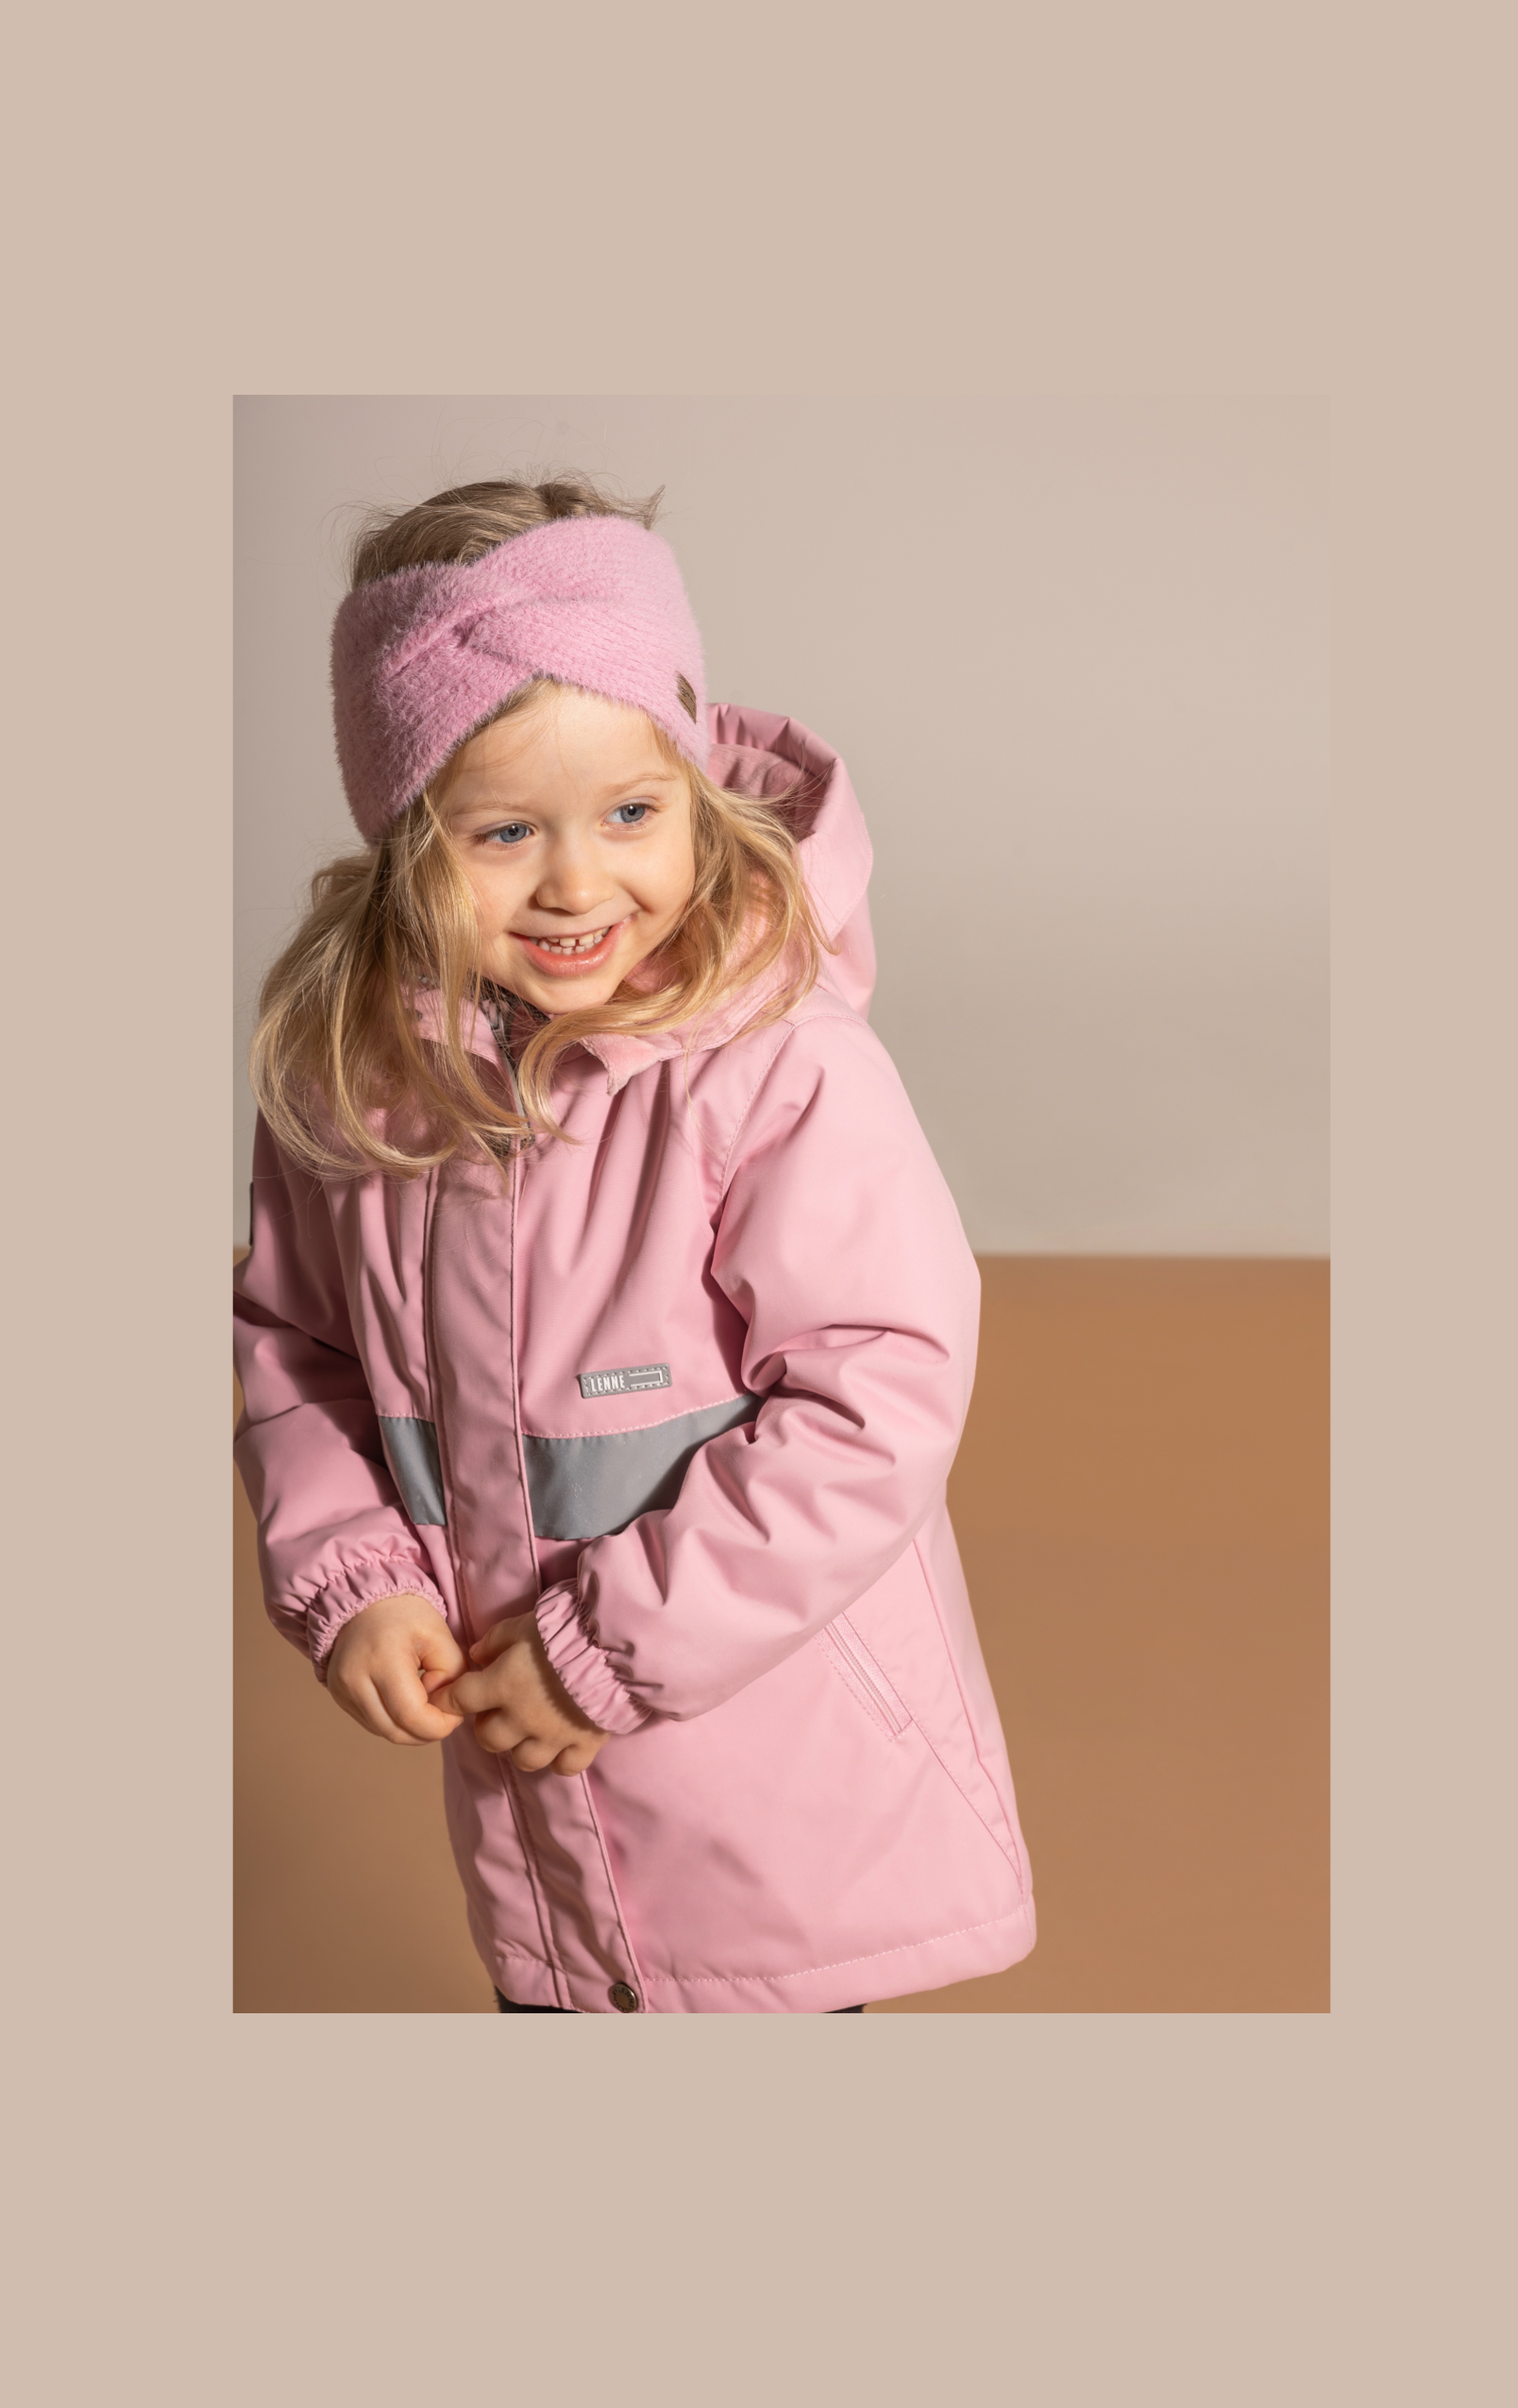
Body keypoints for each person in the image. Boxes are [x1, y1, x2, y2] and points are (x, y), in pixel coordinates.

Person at [234, 475, 1035, 2013]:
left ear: (692, 785)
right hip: (541, 1823)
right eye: (503, 831)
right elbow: (297, 1350)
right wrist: (355, 1574)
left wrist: (605, 1647)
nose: (578, 882)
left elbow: (881, 1393)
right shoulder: (354, 1077)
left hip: (773, 1794)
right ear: (402, 835)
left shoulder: (777, 1063)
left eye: (630, 812)